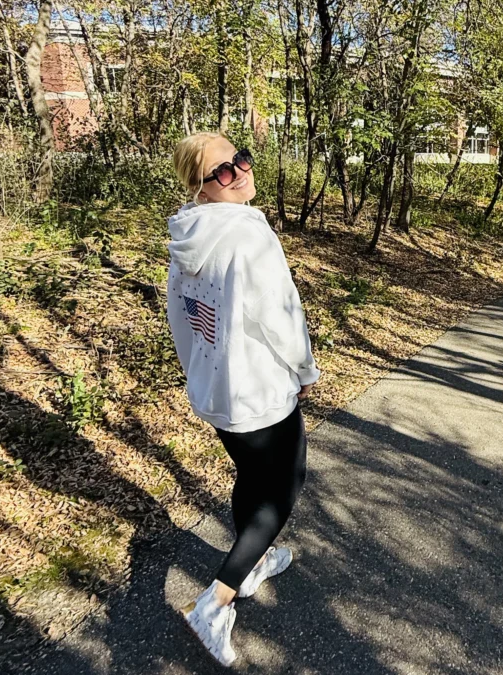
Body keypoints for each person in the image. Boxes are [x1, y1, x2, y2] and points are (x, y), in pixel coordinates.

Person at [166, 132, 320, 666]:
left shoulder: (186, 238)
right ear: (200, 187)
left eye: (242, 160)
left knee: (251, 480)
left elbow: (180, 320)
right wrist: (304, 368)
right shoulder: (248, 234)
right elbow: (281, 316)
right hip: (259, 395)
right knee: (283, 489)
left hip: (217, 395)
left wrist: (199, 377)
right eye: (225, 172)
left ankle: (253, 568)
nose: (242, 172)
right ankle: (216, 602)